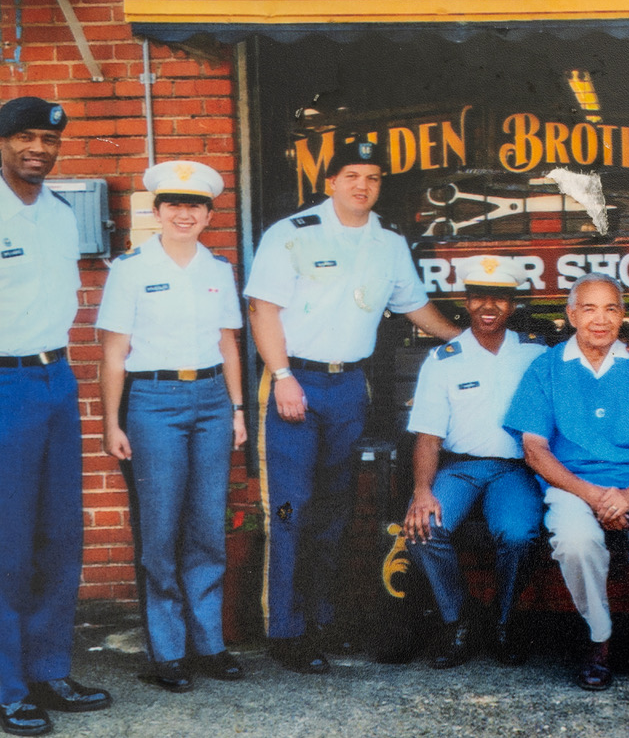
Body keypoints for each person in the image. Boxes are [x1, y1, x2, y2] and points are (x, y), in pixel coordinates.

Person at [244, 138, 461, 674]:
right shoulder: (292, 235)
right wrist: (285, 375)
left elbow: (413, 305)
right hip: (295, 382)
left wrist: (464, 340)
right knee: (291, 510)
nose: (362, 186)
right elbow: (262, 309)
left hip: (348, 388)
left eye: (372, 177)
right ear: (330, 183)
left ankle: (321, 619)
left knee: (334, 511)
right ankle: (285, 630)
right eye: (351, 176)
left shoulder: (387, 240)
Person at [98, 161, 248, 693]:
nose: (185, 214)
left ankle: (209, 644)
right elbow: (114, 353)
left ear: (209, 213)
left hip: (210, 399)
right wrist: (111, 422)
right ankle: (166, 651)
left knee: (207, 526)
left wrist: (235, 410)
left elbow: (229, 342)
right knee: (160, 531)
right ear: (157, 210)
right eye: (173, 205)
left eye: (196, 205)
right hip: (154, 401)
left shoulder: (217, 267)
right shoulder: (131, 268)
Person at [504, 272, 629, 692]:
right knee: (575, 542)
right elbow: (534, 450)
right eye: (589, 308)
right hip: (572, 485)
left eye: (610, 308)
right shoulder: (546, 368)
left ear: (623, 315)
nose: (600, 319)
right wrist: (592, 496)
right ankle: (600, 640)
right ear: (572, 315)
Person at [0, 96, 112, 737]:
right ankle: (10, 685)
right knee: (9, 542)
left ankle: (48, 669)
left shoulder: (61, 214)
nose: (37, 149)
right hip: (4, 383)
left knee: (59, 535)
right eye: (24, 138)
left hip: (55, 379)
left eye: (47, 139)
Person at [401, 255, 547, 669]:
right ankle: (459, 620)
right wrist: (422, 491)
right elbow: (428, 436)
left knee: (518, 534)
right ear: (466, 302)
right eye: (480, 297)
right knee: (424, 529)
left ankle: (502, 622)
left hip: (515, 469)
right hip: (459, 467)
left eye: (499, 299)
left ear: (512, 306)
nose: (489, 307)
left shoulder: (534, 354)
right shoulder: (444, 359)